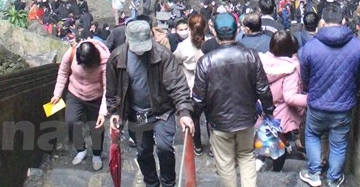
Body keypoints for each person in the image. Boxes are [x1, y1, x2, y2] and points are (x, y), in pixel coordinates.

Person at [102, 20, 194, 187]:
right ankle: (151, 183)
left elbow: (178, 85)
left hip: (162, 111)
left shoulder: (163, 55)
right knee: (143, 151)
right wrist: (114, 112)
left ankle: (168, 183)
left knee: (164, 148)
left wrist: (185, 113)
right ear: (127, 39)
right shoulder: (117, 58)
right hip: (137, 113)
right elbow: (112, 89)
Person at [192, 13, 274, 187]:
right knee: (246, 155)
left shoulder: (205, 62)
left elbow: (198, 98)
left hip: (219, 121)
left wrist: (194, 118)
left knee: (225, 162)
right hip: (246, 119)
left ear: (215, 34)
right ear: (237, 31)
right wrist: (268, 111)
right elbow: (263, 89)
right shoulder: (251, 55)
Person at [298, 3, 360, 187]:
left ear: (322, 22)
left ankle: (314, 175)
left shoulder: (310, 47)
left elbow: (305, 78)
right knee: (338, 142)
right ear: (344, 21)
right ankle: (334, 179)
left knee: (312, 134)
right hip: (343, 106)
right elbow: (359, 77)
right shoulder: (357, 46)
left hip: (317, 103)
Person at [51, 40, 110, 171]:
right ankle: (81, 149)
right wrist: (57, 94)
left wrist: (102, 112)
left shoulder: (104, 61)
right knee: (71, 121)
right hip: (75, 93)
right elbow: (63, 72)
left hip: (96, 96)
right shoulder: (72, 53)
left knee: (96, 127)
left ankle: (96, 154)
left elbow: (108, 88)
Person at [259, 30, 307, 172]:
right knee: (280, 144)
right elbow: (290, 97)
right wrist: (312, 99)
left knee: (268, 140)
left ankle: (263, 163)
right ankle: (276, 173)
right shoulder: (290, 68)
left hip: (266, 108)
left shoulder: (263, 62)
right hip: (282, 113)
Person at [173, 13, 208, 154]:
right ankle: (213, 148)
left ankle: (197, 146)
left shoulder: (183, 46)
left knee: (194, 118)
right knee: (211, 118)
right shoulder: (210, 43)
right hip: (209, 85)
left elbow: (175, 61)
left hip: (191, 86)